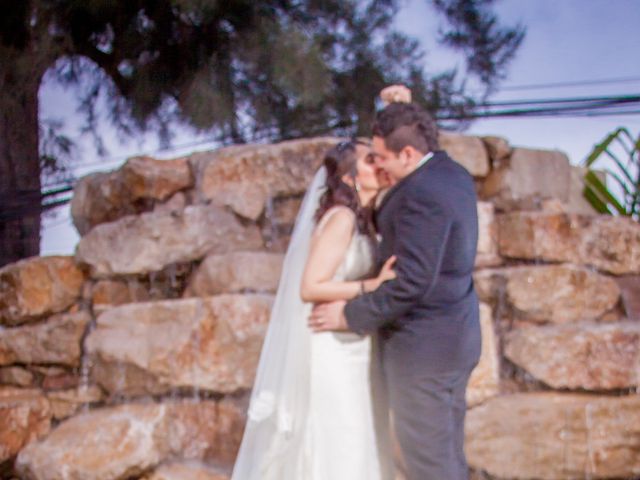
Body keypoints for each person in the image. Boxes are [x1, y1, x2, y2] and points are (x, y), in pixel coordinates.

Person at [310, 95, 482, 480]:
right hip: (456, 338)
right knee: (448, 455)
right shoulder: (452, 173)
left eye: (382, 156)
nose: (380, 164)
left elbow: (412, 283)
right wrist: (398, 107)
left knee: (430, 465)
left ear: (407, 153)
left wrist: (350, 315)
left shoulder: (420, 193)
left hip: (424, 351)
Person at [230, 138, 396, 480]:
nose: (379, 164)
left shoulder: (361, 220)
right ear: (350, 178)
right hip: (332, 348)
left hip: (350, 343)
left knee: (359, 437)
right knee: (341, 440)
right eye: (369, 161)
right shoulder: (342, 219)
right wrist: (372, 286)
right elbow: (310, 286)